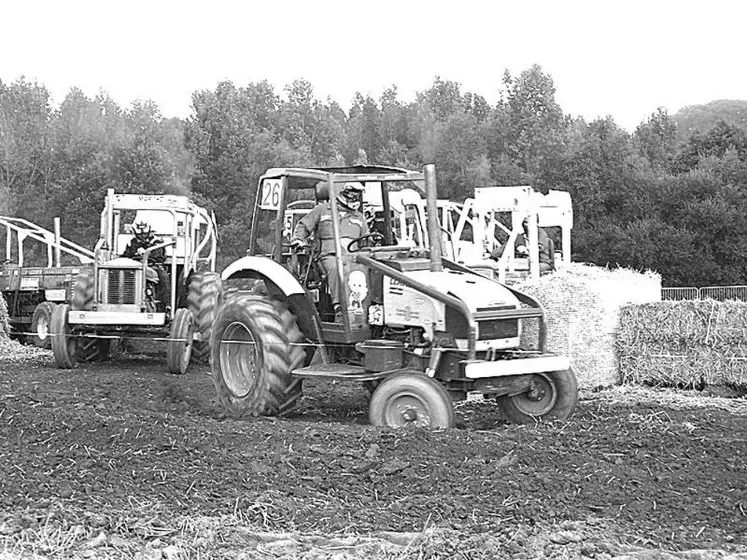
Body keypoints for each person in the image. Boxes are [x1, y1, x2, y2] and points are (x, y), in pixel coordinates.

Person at [290, 182, 369, 320]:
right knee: (337, 269)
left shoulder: (360, 218)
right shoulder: (322, 210)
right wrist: (298, 239)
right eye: (352, 195)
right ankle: (340, 309)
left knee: (370, 271)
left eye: (357, 196)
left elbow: (366, 242)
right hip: (328, 256)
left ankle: (368, 310)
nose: (355, 198)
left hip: (353, 257)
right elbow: (303, 225)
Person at [122, 221, 171, 307]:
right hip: (135, 266)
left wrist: (146, 253)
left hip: (154, 265)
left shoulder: (157, 241)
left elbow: (158, 255)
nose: (142, 236)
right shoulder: (132, 242)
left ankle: (167, 305)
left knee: (164, 278)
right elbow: (127, 255)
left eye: (144, 234)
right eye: (140, 234)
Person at [490, 216, 555, 275]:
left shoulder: (541, 233)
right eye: (525, 222)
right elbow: (505, 247)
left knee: (531, 269)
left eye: (528, 223)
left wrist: (526, 250)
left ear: (536, 223)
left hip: (543, 262)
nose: (526, 225)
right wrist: (492, 255)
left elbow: (539, 248)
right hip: (526, 262)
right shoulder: (521, 237)